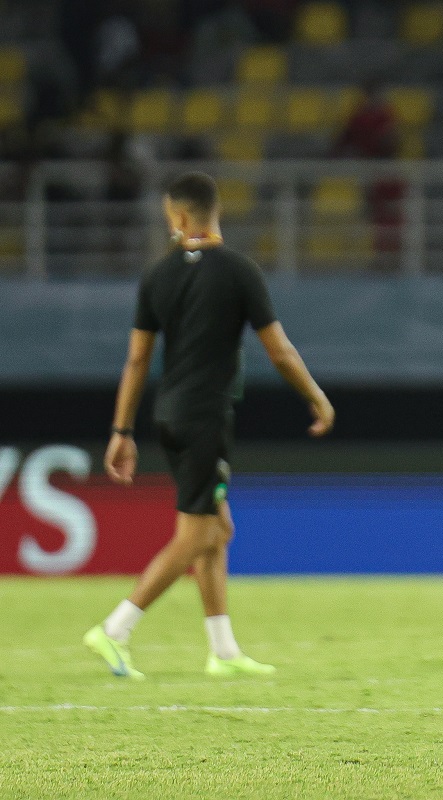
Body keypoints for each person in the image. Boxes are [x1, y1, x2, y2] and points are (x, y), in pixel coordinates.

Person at [84, 171, 334, 679]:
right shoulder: (239, 271)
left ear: (178, 217)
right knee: (196, 535)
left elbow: (137, 360)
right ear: (215, 212)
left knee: (218, 530)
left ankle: (223, 651)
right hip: (206, 417)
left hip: (170, 415)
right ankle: (115, 629)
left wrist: (121, 431)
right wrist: (317, 398)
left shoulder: (158, 275)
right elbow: (280, 351)